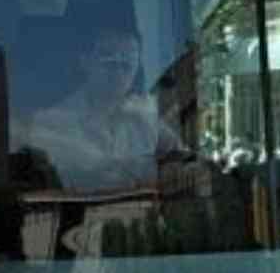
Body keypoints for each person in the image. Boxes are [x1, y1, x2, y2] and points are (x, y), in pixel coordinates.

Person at [17, 24, 184, 194]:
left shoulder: (145, 118)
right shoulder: (51, 122)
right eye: (108, 59)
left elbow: (182, 161)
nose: (118, 69)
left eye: (128, 62)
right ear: (85, 61)